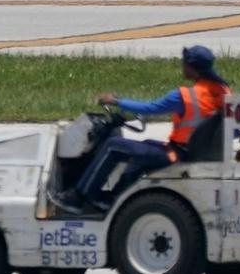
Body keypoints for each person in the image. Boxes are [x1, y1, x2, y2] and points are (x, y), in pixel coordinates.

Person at [69, 45, 228, 209]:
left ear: (192, 67)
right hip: (198, 154)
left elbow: (149, 108)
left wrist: (116, 101)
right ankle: (114, 198)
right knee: (144, 146)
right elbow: (232, 130)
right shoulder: (223, 92)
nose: (182, 65)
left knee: (113, 145)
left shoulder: (185, 96)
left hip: (177, 154)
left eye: (184, 63)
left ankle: (78, 197)